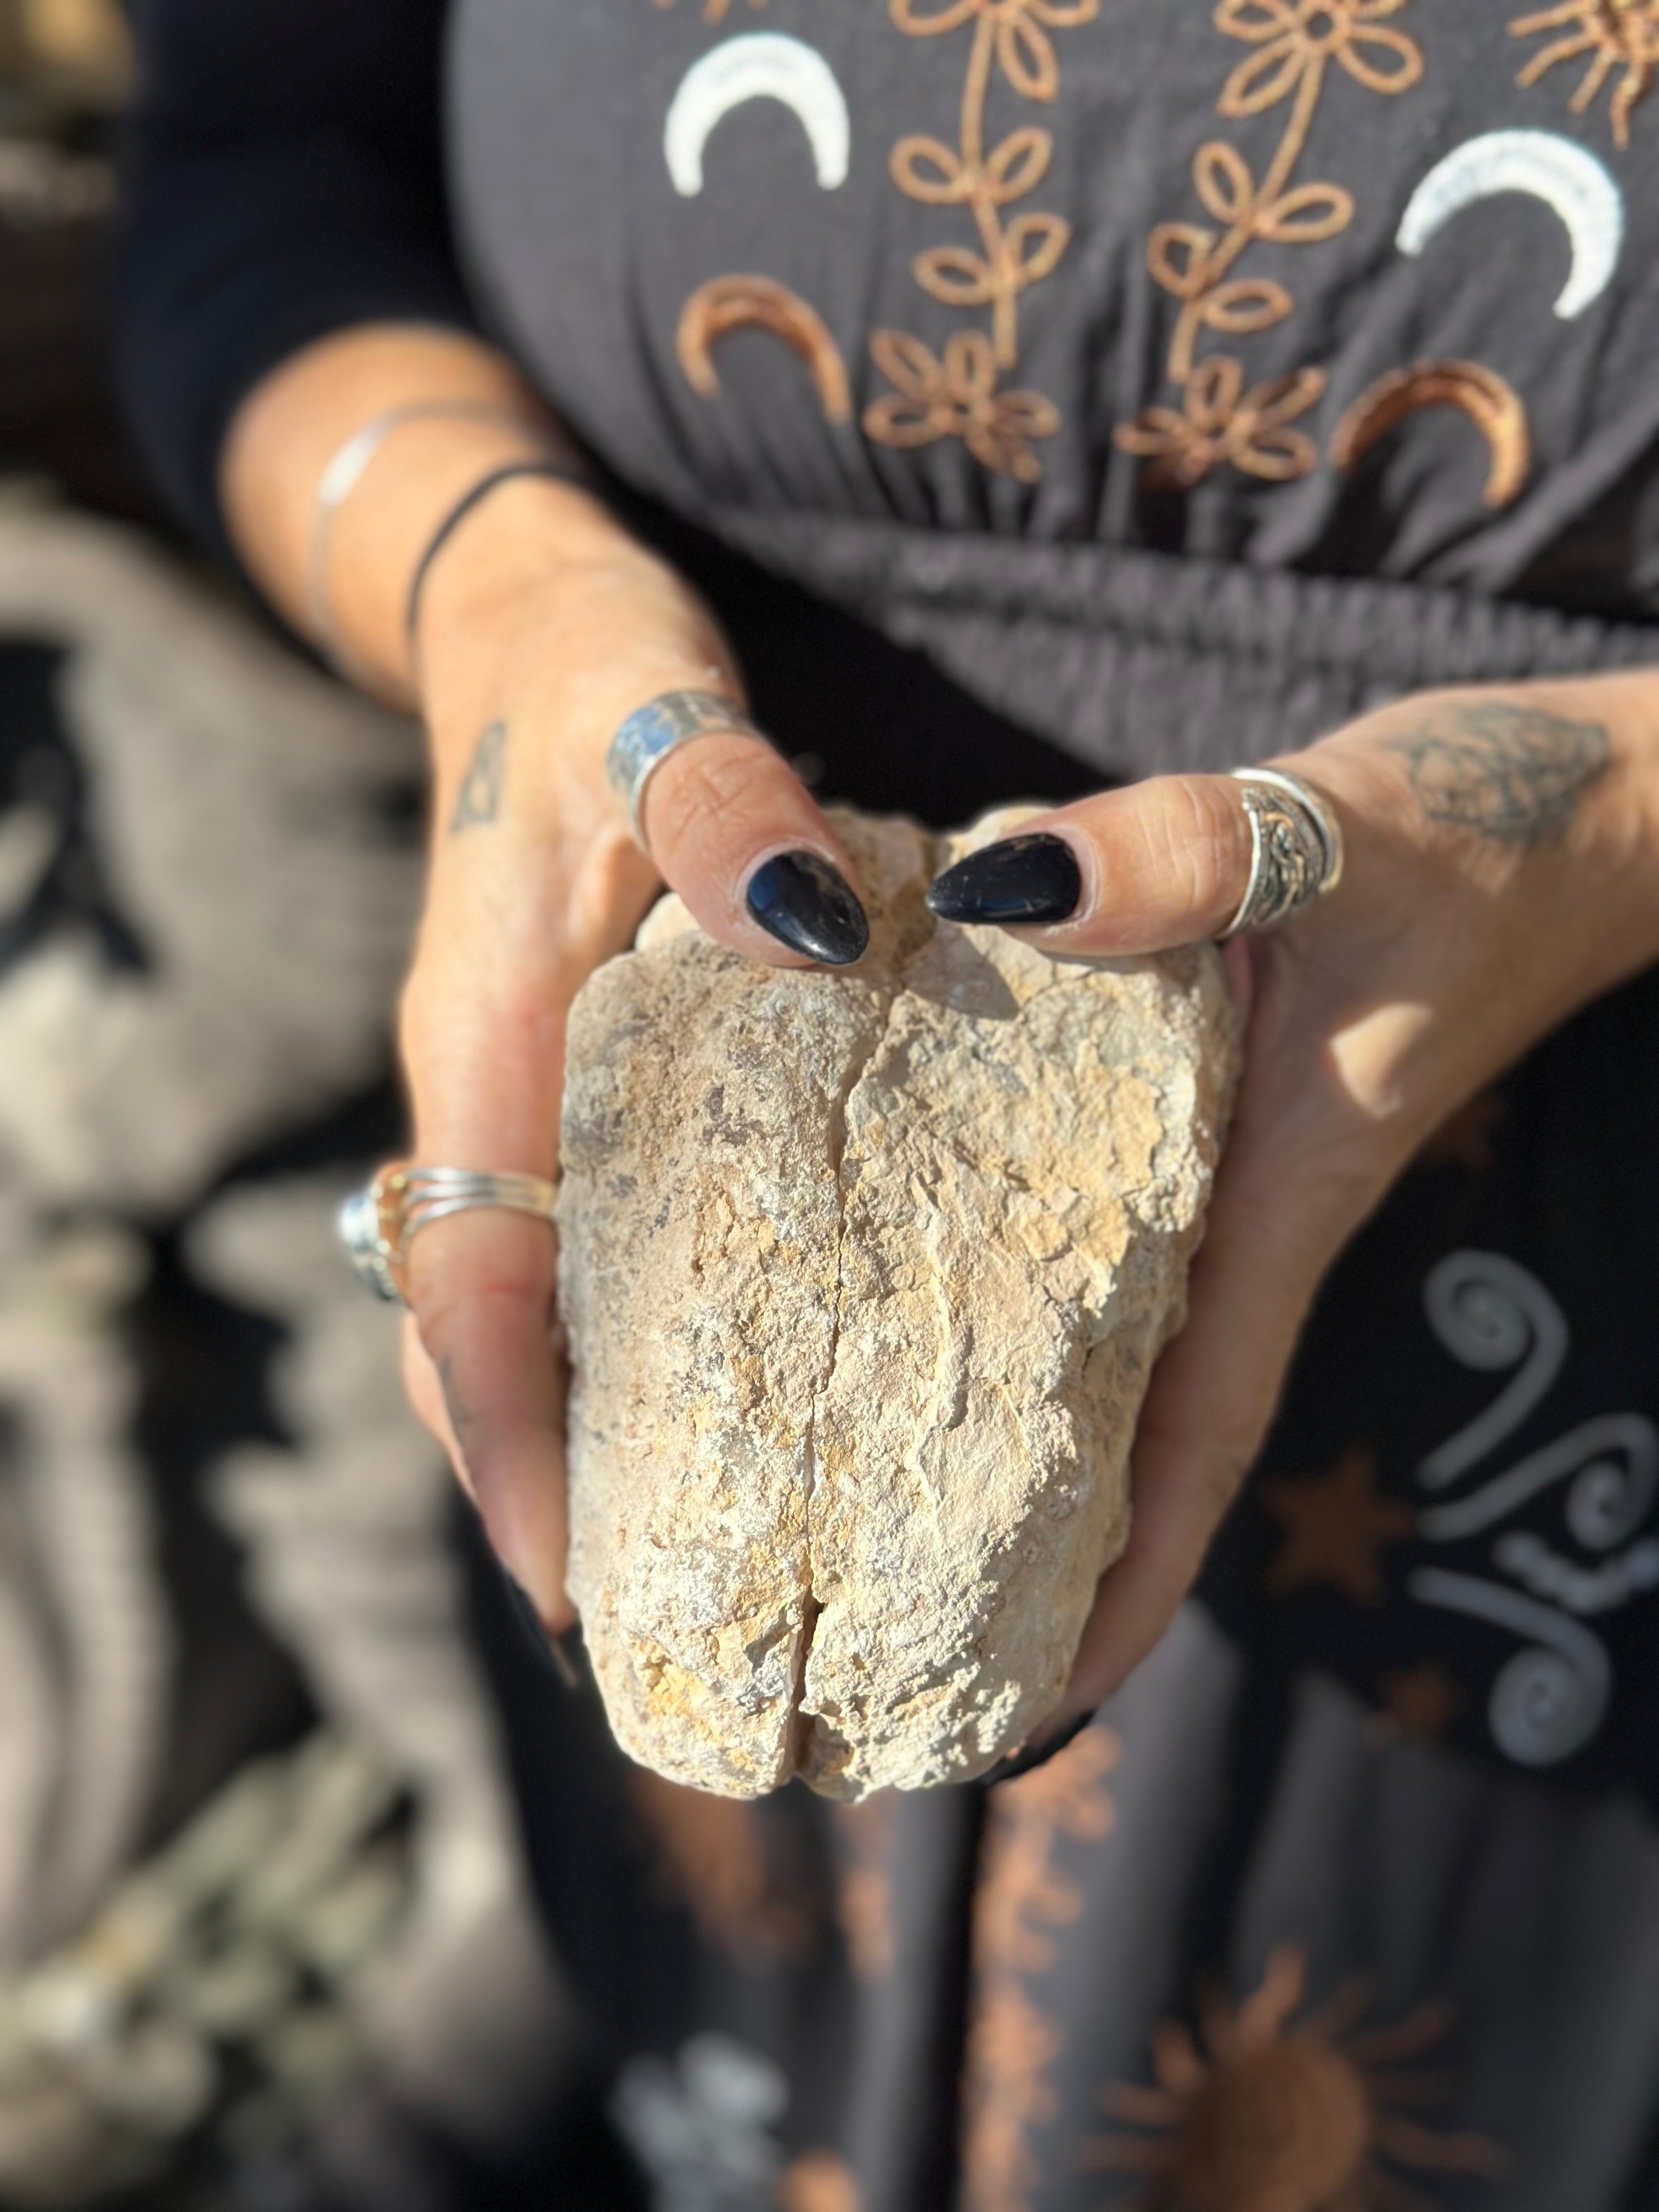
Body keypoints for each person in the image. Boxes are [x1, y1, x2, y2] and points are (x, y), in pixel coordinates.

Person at [115, 4, 1659, 2204]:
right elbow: (261, 171)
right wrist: (498, 596)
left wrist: (1609, 819)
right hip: (721, 1369)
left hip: (1567, 1468)